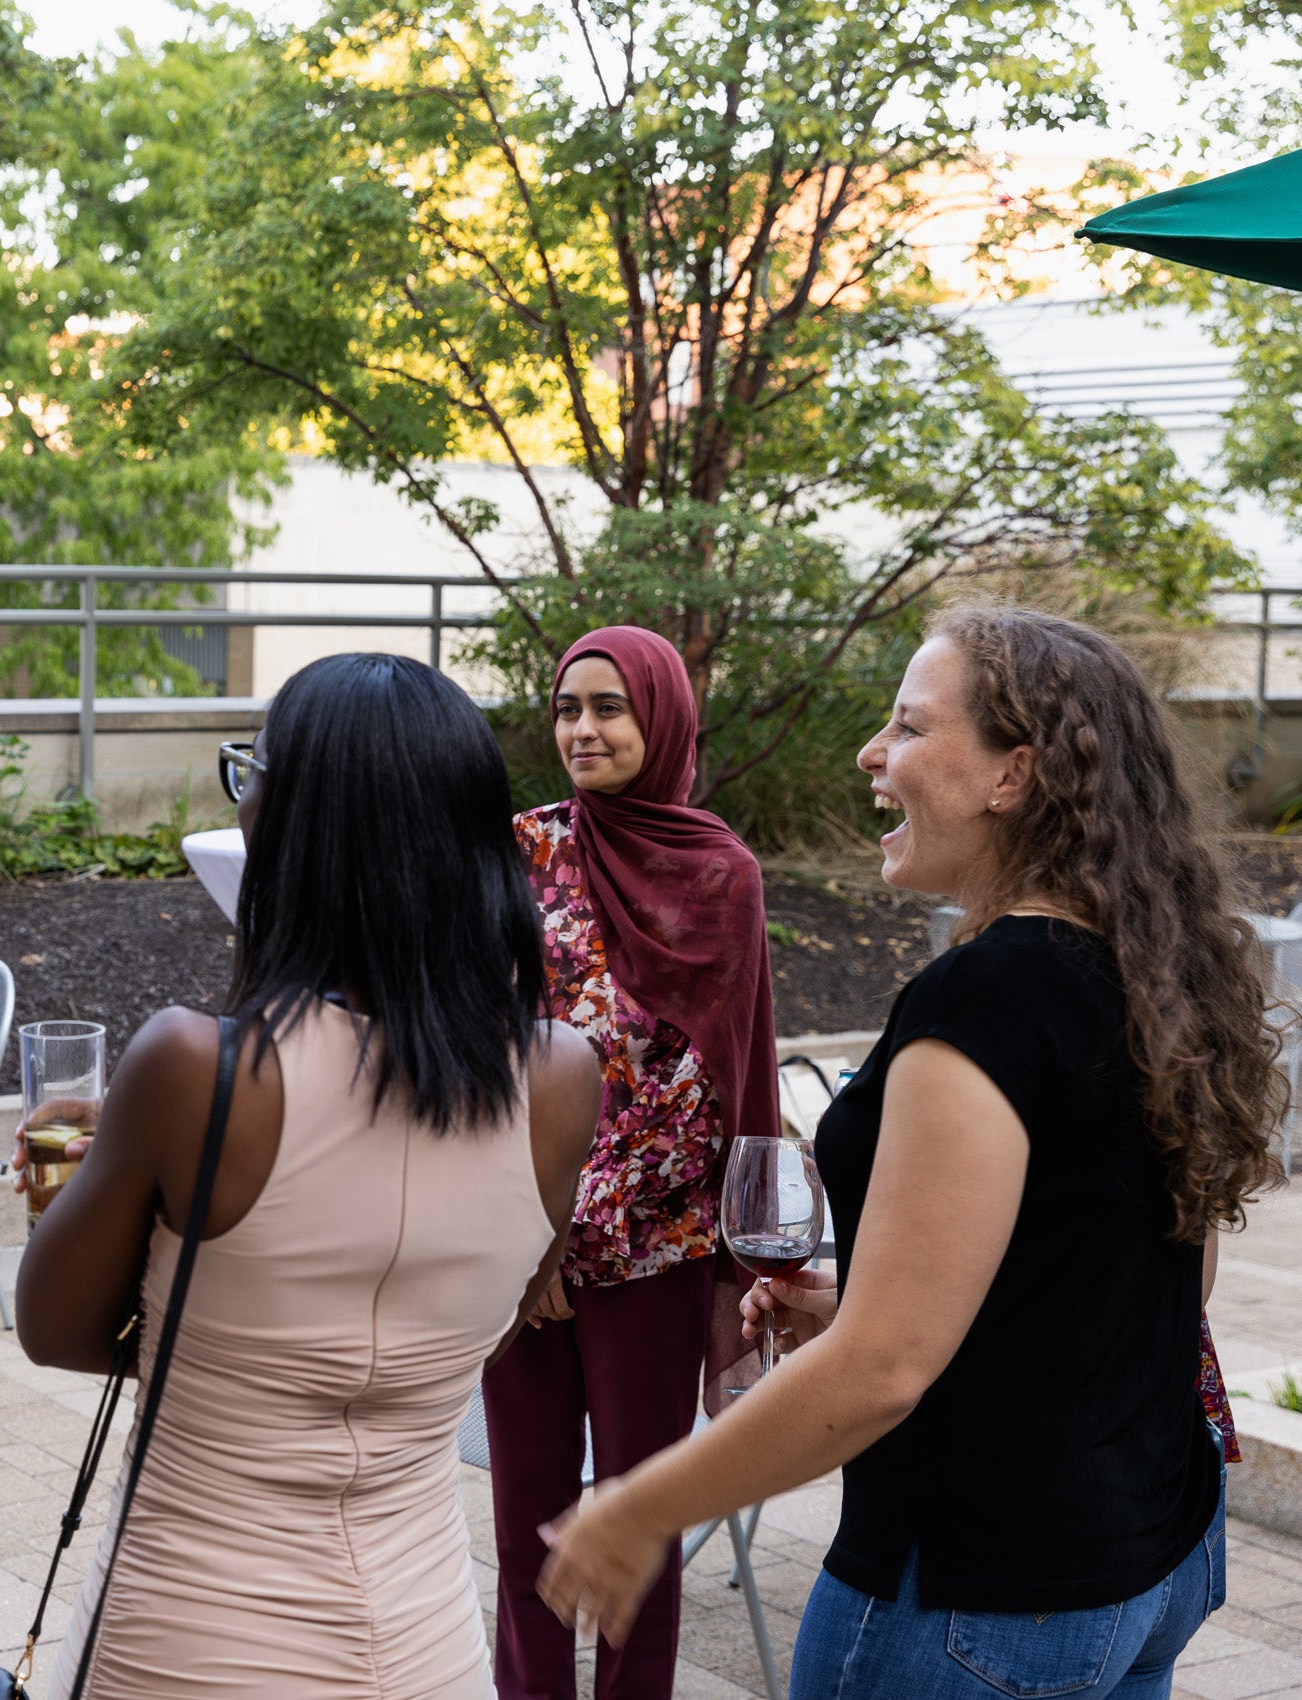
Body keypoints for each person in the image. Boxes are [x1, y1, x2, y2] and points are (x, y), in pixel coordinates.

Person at [537, 607, 1288, 1700]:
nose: (868, 752)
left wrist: (637, 1508)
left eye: (907, 725)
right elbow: (1146, 1277)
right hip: (1156, 1561)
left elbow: (882, 1373)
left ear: (1012, 774)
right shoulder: (1150, 965)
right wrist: (873, 1296)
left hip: (980, 1601)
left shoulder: (981, 997)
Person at [12, 652, 602, 1700]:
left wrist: (103, 1186)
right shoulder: (562, 1079)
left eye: (254, 775)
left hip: (187, 1639)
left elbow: (56, 1329)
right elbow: (480, 1327)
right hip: (426, 1645)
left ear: (294, 826)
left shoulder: (192, 1067)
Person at [482, 624, 778, 1700]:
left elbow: (738, 1067)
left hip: (658, 1252)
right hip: (523, 1246)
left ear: (661, 717)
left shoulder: (722, 874)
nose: (583, 729)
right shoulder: (520, 851)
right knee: (527, 1528)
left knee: (639, 1530)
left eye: (609, 707)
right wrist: (530, 1237)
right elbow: (484, 1053)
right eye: (568, 708)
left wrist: (745, 1260)